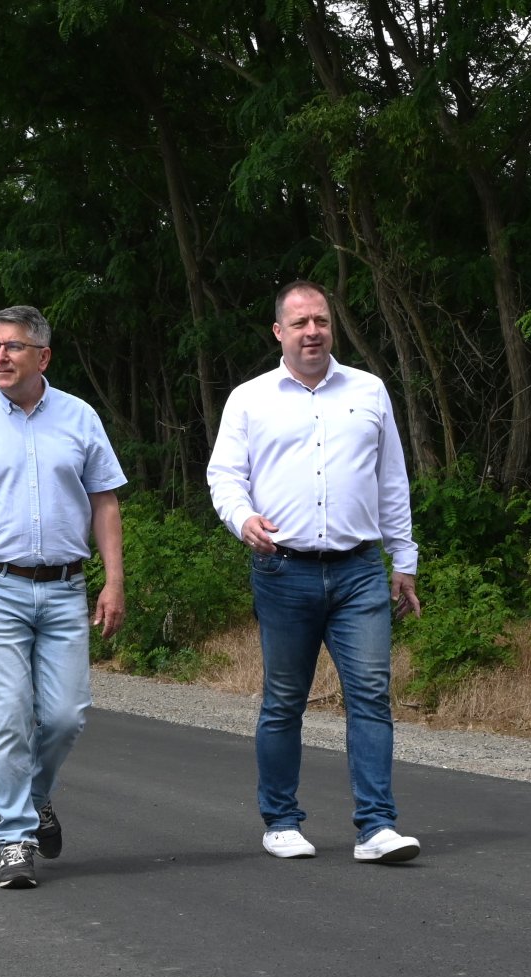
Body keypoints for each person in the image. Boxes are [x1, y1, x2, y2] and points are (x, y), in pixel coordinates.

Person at [205, 280, 424, 864]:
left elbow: (391, 481)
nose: (312, 331)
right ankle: (280, 820)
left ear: (333, 327)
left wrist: (405, 559)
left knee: (371, 696)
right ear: (278, 331)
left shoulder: (369, 390)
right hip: (284, 571)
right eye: (299, 322)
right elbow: (223, 475)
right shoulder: (250, 399)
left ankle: (377, 827)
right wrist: (242, 518)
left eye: (321, 321)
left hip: (359, 572)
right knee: (284, 699)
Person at [0, 305, 126, 890]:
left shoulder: (80, 418)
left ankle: (36, 797)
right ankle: (14, 837)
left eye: (12, 347)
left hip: (65, 587)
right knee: (8, 713)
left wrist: (114, 581)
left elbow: (105, 503)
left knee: (65, 715)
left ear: (43, 356)